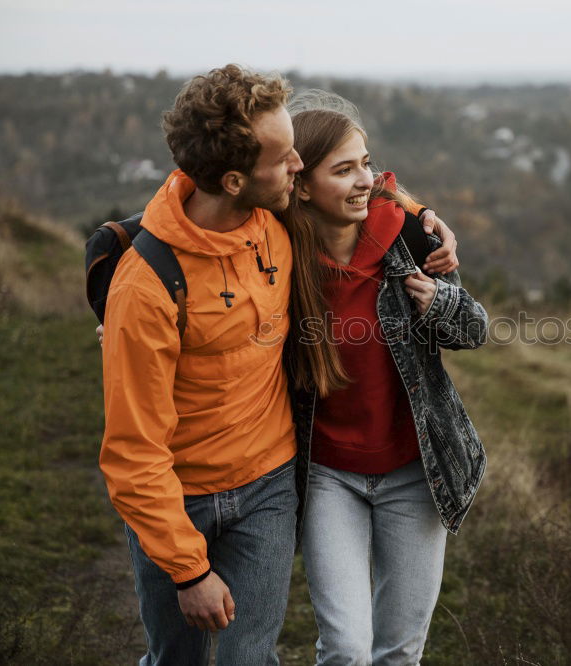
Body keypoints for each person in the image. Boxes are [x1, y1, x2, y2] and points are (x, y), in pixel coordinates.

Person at [97, 66, 457, 666]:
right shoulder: (149, 285)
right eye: (285, 157)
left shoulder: (277, 220)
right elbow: (132, 452)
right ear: (236, 179)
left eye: (296, 152)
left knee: (251, 659)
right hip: (179, 496)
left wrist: (423, 214)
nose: (297, 166)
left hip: (270, 486)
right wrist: (188, 573)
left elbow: (359, 181)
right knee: (177, 659)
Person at [281, 92, 488, 666]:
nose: (363, 180)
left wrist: (440, 303)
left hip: (414, 473)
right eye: (343, 169)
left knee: (399, 651)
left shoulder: (410, 242)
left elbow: (475, 331)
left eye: (366, 164)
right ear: (299, 183)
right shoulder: (277, 257)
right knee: (345, 649)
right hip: (328, 476)